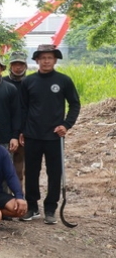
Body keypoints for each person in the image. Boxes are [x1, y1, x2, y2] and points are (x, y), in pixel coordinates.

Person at [19, 44, 80, 224]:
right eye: (43, 58)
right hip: (32, 134)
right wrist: (21, 130)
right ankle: (32, 207)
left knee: (54, 173)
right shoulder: (28, 82)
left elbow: (75, 104)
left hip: (55, 136)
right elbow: (22, 108)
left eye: (50, 58)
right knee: (31, 172)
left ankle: (50, 208)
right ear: (37, 60)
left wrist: (66, 125)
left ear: (55, 60)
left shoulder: (64, 80)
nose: (46, 61)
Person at [3, 51, 28, 184]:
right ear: (10, 66)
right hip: (5, 129)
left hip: (25, 130)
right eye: (15, 64)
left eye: (21, 64)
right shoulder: (2, 83)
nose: (18, 67)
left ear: (25, 66)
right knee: (3, 165)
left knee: (20, 167)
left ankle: (19, 193)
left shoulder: (30, 83)